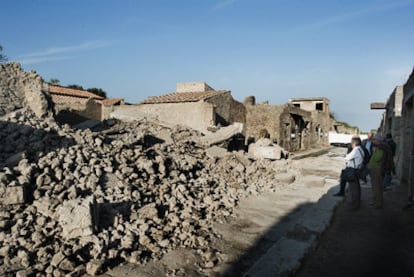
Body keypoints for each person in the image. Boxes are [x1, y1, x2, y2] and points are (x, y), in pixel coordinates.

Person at [368, 134, 386, 209]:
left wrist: (374, 151)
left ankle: (378, 204)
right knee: (375, 187)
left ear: (378, 141)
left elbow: (377, 159)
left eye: (374, 139)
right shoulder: (378, 147)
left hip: (376, 169)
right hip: (374, 169)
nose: (373, 141)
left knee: (377, 187)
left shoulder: (381, 148)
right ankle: (376, 201)